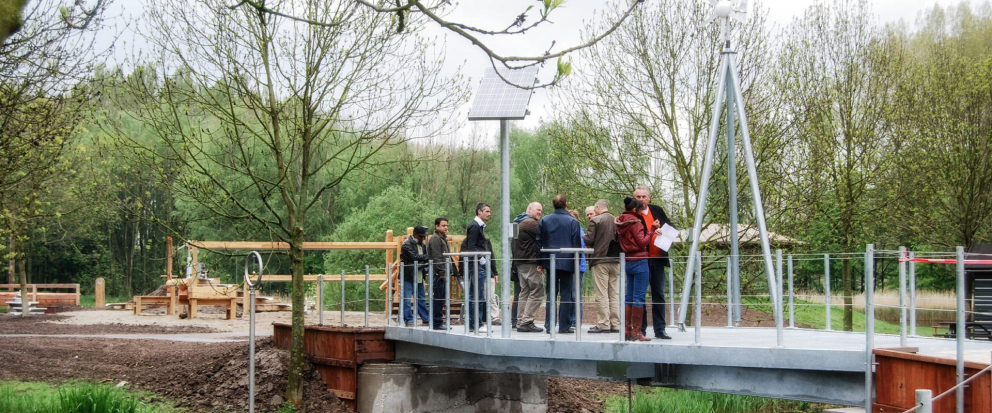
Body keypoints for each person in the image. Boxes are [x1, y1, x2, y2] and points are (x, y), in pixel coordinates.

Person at [633, 186, 674, 340]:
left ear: (649, 198)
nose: (641, 199)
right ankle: (640, 329)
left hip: (657, 259)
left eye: (644, 196)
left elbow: (671, 226)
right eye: (638, 196)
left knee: (659, 295)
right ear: (634, 198)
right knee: (640, 296)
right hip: (640, 260)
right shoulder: (631, 214)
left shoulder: (657, 210)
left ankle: (660, 329)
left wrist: (663, 231)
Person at [539, 194, 582, 334]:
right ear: (566, 205)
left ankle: (549, 325)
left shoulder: (545, 220)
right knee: (566, 295)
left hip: (550, 262)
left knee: (551, 294)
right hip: (568, 262)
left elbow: (539, 242)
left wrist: (540, 262)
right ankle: (564, 326)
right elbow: (576, 245)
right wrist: (577, 263)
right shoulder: (573, 222)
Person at [616, 197, 652, 341]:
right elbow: (642, 242)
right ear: (635, 210)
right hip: (640, 261)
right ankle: (637, 332)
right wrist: (652, 231)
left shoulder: (620, 221)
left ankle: (627, 330)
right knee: (638, 297)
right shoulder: (636, 222)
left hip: (628, 261)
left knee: (629, 296)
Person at [583, 199, 620, 334]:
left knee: (601, 293)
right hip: (616, 260)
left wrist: (584, 236)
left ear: (598, 207)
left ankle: (603, 324)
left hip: (601, 260)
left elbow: (590, 239)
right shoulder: (616, 220)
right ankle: (615, 324)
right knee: (614, 294)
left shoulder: (596, 220)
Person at [463, 203, 497, 332]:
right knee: (477, 294)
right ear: (479, 212)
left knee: (476, 294)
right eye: (487, 211)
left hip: (478, 264)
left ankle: (475, 324)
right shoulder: (474, 226)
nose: (489, 214)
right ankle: (477, 324)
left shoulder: (478, 226)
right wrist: (482, 259)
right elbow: (471, 246)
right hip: (477, 265)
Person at [512, 202, 544, 332]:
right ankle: (527, 321)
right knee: (537, 290)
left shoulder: (517, 222)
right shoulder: (530, 223)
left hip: (520, 262)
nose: (540, 212)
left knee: (524, 292)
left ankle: (521, 320)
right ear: (529, 209)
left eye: (541, 210)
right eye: (537, 210)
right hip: (530, 262)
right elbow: (544, 237)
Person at [426, 217, 459, 330]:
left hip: (443, 272)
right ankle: (436, 322)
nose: (446, 227)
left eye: (447, 226)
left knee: (442, 298)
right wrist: (441, 272)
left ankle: (438, 321)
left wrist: (454, 271)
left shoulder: (442, 238)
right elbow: (436, 257)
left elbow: (448, 257)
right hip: (439, 274)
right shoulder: (435, 239)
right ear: (437, 226)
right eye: (443, 225)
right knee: (439, 298)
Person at [400, 225, 431, 326]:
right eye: (421, 236)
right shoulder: (406, 244)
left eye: (423, 236)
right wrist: (426, 257)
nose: (422, 238)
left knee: (421, 299)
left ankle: (425, 319)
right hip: (408, 276)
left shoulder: (422, 245)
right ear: (415, 234)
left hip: (419, 275)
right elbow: (414, 257)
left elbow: (420, 258)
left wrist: (424, 260)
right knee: (407, 300)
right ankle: (409, 320)